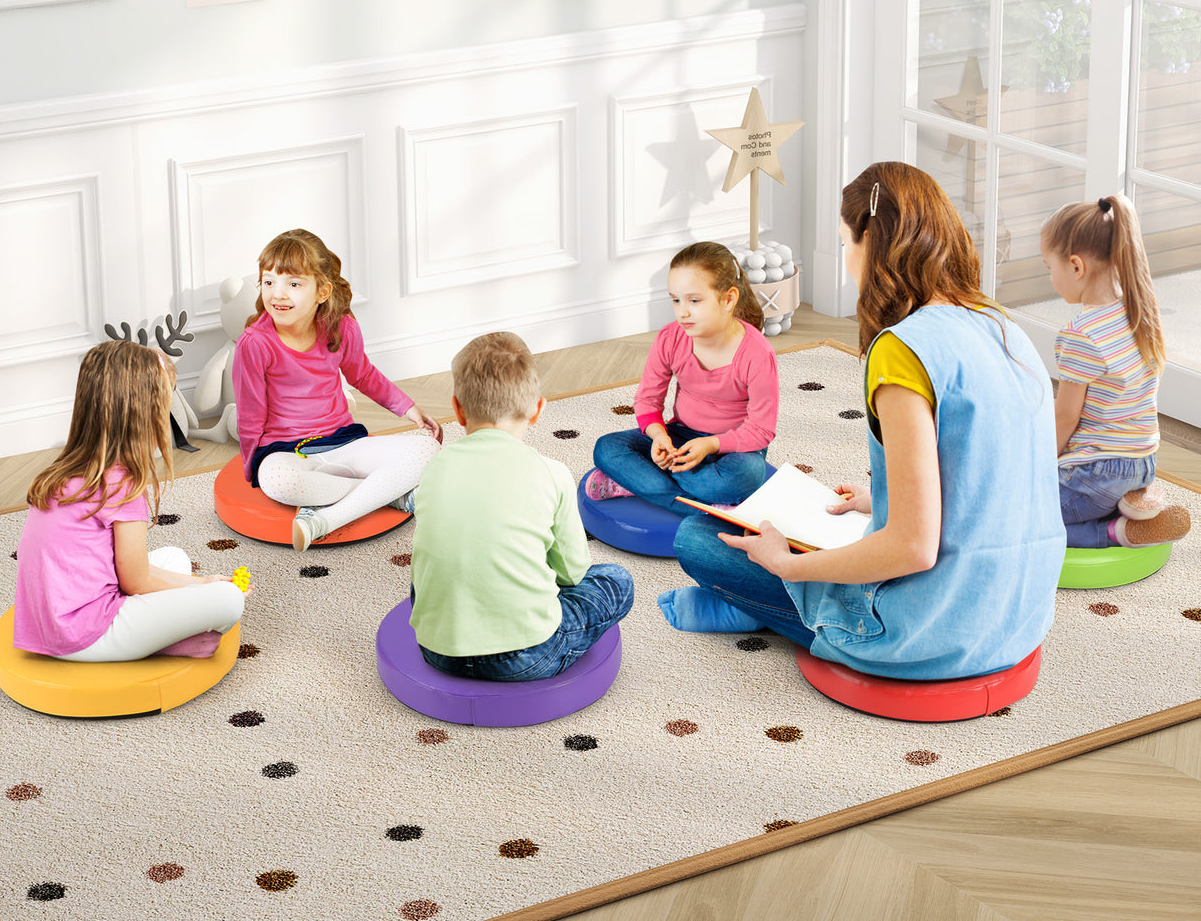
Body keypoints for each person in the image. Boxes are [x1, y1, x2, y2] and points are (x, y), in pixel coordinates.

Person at [659, 162, 1066, 681]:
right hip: (1019, 616)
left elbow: (913, 548)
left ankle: (762, 607)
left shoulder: (902, 352)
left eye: (846, 244)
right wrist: (885, 501)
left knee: (697, 538)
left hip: (927, 635)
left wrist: (788, 566)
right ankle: (763, 602)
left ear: (870, 240)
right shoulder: (1002, 325)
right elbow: (994, 470)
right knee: (804, 532)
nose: (848, 261)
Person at [409, 331, 634, 681]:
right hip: (525, 655)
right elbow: (572, 574)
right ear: (537, 410)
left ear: (457, 409)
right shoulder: (552, 472)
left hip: (438, 649)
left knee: (436, 570)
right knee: (616, 580)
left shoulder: (434, 465)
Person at [14, 340, 246, 661]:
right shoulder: (121, 481)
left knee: (174, 557)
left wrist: (199, 581)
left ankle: (166, 638)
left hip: (48, 624)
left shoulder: (68, 470)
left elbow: (125, 571)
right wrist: (205, 588)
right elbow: (136, 581)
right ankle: (161, 641)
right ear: (143, 415)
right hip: (85, 634)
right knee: (228, 600)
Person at [233, 228, 442, 552]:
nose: (277, 293)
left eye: (294, 283)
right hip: (288, 453)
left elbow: (364, 375)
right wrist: (254, 468)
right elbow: (250, 413)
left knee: (428, 450)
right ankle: (390, 494)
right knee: (279, 480)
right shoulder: (255, 343)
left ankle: (324, 519)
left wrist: (410, 409)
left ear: (322, 291)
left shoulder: (341, 327)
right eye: (269, 281)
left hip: (344, 443)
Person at [1040, 195, 1190, 548]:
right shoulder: (1140, 311)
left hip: (1099, 472)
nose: (1050, 277)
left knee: (1013, 514)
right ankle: (1130, 501)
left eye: (1049, 267)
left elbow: (1065, 417)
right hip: (1142, 462)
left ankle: (1113, 531)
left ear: (1076, 266)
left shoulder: (1081, 335)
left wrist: (1035, 468)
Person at [587, 241, 778, 516]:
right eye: (675, 300)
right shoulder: (670, 337)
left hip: (734, 448)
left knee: (745, 476)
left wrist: (712, 444)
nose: (682, 311)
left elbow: (761, 430)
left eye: (694, 300)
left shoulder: (758, 354)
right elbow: (647, 400)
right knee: (607, 448)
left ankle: (639, 483)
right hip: (680, 436)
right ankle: (706, 507)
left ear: (728, 299)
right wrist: (658, 436)